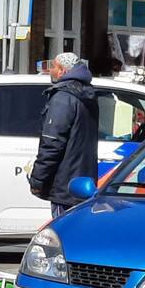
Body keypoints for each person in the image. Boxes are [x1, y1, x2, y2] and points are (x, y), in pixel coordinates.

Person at [29, 53, 99, 220]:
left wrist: (37, 179)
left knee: (62, 229)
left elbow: (52, 143)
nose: (50, 71)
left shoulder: (63, 98)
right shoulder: (87, 94)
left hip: (64, 184)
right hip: (82, 182)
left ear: (62, 71)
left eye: (53, 66)